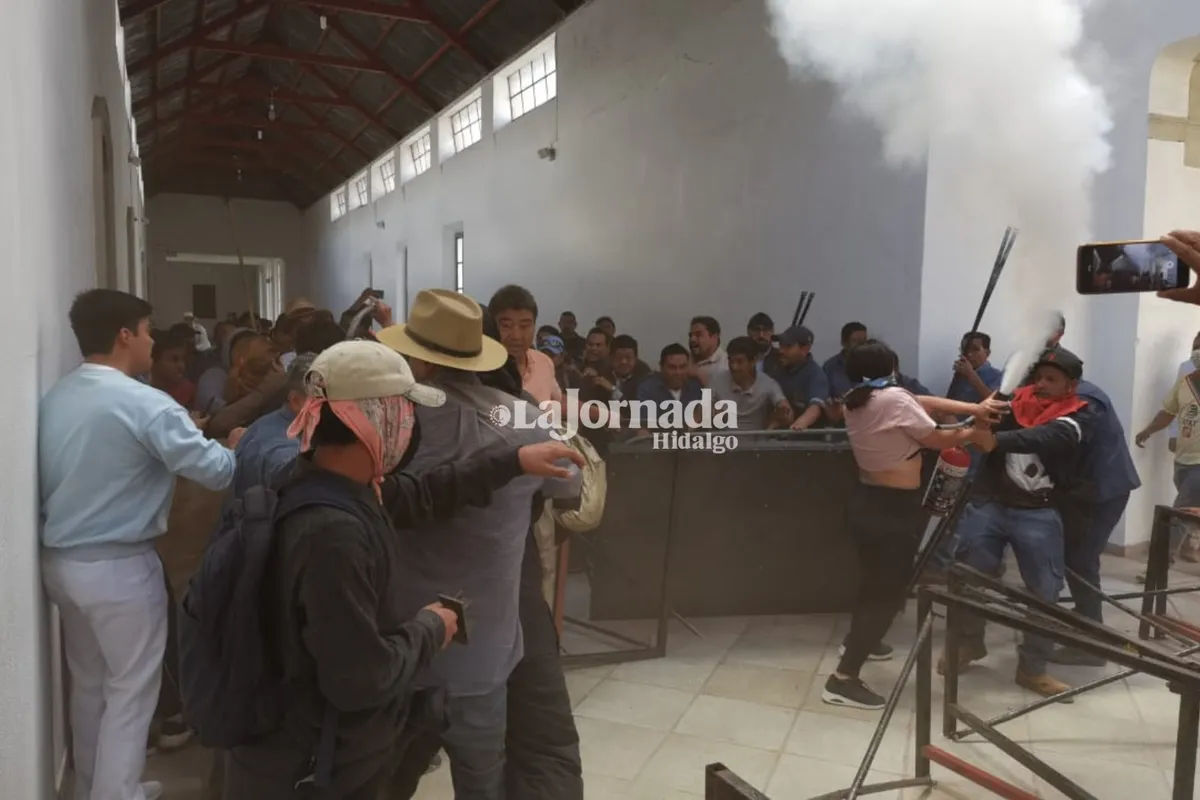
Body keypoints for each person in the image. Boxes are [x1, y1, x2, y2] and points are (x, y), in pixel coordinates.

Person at [377, 290, 582, 799]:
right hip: (484, 654)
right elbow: (568, 490)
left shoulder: (393, 421)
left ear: (419, 357)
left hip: (401, 647)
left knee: (381, 779)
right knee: (481, 781)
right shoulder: (523, 421)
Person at [40, 289, 242, 800]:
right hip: (121, 570)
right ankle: (118, 794)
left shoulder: (60, 395)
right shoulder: (144, 403)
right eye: (149, 330)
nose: (154, 341)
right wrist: (232, 446)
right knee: (131, 691)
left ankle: (100, 786)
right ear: (125, 335)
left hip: (64, 563)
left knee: (89, 685)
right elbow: (216, 473)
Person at [822, 341, 999, 710]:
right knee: (888, 594)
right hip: (892, 512)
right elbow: (937, 437)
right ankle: (843, 678)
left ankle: (859, 641)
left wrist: (975, 408)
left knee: (874, 585)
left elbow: (924, 403)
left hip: (869, 503)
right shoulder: (892, 399)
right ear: (887, 368)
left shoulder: (859, 398)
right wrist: (974, 431)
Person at [943, 348, 1096, 698]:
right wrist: (982, 417)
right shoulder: (1017, 401)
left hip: (1038, 512)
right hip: (991, 505)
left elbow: (1047, 437)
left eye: (1051, 380)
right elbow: (985, 423)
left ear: (1070, 386)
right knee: (967, 576)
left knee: (1044, 592)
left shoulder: (1079, 415)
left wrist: (996, 439)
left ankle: (1032, 668)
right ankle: (968, 645)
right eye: (1038, 377)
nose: (1040, 385)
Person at [1052, 375, 1140, 664]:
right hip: (1095, 488)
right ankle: (1085, 618)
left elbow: (1061, 443)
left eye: (1043, 379)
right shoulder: (1073, 393)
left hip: (1101, 492)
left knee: (1081, 561)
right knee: (1075, 559)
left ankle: (1091, 644)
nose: (1037, 386)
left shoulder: (1085, 401)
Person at [1135, 340, 1200, 562]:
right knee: (1190, 509)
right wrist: (1149, 430)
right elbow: (1168, 412)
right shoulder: (1184, 384)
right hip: (1183, 460)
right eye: (1196, 347)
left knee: (1180, 512)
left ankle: (1160, 563)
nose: (1197, 352)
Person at [489, 284, 563, 406]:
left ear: (534, 326)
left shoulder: (543, 362)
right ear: (492, 325)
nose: (516, 335)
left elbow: (557, 400)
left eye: (524, 326)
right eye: (506, 326)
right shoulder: (480, 371)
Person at [709, 336, 792, 430]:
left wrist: (779, 417)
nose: (734, 367)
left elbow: (787, 412)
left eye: (739, 362)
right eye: (731, 361)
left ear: (753, 361)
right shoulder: (717, 380)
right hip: (724, 443)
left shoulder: (768, 384)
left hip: (757, 443)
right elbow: (700, 412)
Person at [763, 325, 828, 430]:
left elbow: (816, 407)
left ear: (805, 349)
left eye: (787, 346)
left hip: (805, 441)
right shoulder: (776, 371)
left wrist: (799, 425)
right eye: (780, 345)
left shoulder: (815, 374)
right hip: (778, 439)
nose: (781, 351)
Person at [635, 343, 703, 433]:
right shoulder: (647, 389)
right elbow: (643, 428)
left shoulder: (695, 387)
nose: (678, 372)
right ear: (661, 367)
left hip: (691, 444)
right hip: (657, 444)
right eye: (672, 367)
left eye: (682, 367)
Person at [823, 321, 869, 424]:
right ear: (844, 343)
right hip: (840, 423)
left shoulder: (874, 364)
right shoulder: (830, 367)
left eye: (864, 341)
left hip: (868, 421)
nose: (861, 345)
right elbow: (825, 399)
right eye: (856, 341)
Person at [947, 332, 1003, 403]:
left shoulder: (997, 376)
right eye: (965, 349)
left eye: (975, 349)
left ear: (987, 353)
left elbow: (996, 402)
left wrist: (971, 375)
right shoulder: (960, 373)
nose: (969, 354)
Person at [149, 328, 196, 408]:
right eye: (174, 360)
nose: (182, 366)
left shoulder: (188, 391)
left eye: (183, 359)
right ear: (154, 361)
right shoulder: (138, 391)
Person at [688, 315, 727, 382]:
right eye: (691, 335)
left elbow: (709, 393)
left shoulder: (725, 366)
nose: (692, 339)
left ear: (714, 337)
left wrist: (700, 376)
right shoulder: (684, 362)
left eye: (698, 335)